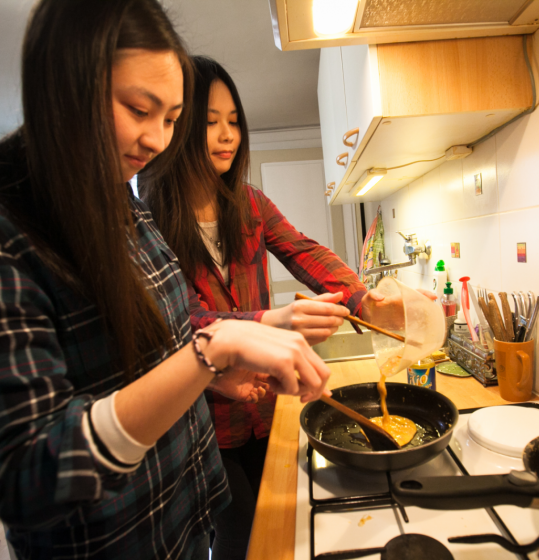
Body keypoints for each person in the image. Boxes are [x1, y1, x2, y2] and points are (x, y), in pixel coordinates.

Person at [0, 2, 330, 559]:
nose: (157, 139)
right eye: (138, 109)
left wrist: (211, 371)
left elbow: (166, 338)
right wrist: (208, 355)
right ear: (64, 87)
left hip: (186, 510)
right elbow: (26, 474)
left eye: (173, 118)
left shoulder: (121, 205)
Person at [140, 56, 375, 560]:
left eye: (233, 121)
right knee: (237, 527)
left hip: (265, 405)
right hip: (200, 417)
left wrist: (364, 297)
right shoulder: (150, 221)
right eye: (209, 122)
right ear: (176, 128)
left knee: (275, 514)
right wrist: (268, 324)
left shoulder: (250, 204)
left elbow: (306, 251)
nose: (227, 135)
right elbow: (177, 324)